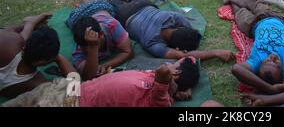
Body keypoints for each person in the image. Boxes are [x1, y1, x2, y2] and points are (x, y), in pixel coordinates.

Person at [220, 0, 284, 106]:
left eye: (267, 61)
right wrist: (271, 89)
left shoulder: (257, 60)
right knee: (252, 6)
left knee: (241, 13)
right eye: (276, 62)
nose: (272, 57)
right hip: (275, 19)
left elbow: (236, 68)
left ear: (260, 64)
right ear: (283, 71)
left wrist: (268, 89)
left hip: (252, 27)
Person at [2, 57, 199, 107]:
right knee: (19, 102)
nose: (167, 64)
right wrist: (183, 86)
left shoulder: (160, 99)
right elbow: (187, 60)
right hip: (71, 87)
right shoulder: (151, 76)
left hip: (72, 103)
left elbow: (164, 72)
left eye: (174, 64)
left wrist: (172, 85)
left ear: (175, 74)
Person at [105, 0, 236, 62]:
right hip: (127, 16)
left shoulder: (173, 17)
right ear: (177, 47)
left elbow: (188, 35)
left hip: (144, 5)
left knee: (136, 2)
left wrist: (217, 52)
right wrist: (214, 53)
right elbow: (184, 56)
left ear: (179, 28)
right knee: (115, 4)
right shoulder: (153, 43)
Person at [0, 13, 75, 99]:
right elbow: (75, 83)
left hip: (12, 41)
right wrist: (58, 57)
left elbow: (16, 35)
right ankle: (31, 23)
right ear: (42, 62)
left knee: (11, 33)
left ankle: (30, 23)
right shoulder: (36, 83)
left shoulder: (10, 43)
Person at [67, 0, 133, 81]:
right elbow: (87, 76)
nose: (87, 49)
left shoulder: (112, 26)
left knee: (94, 4)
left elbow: (128, 52)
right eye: (84, 47)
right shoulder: (79, 49)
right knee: (84, 7)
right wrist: (93, 47)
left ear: (101, 34)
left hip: (100, 8)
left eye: (93, 43)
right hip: (78, 17)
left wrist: (105, 65)